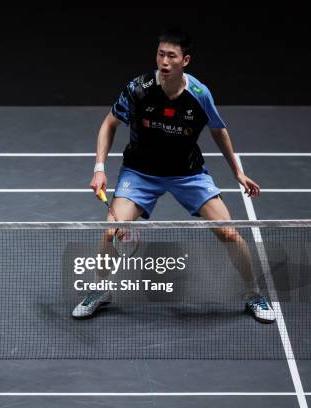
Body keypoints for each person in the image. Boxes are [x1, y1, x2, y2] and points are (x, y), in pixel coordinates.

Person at [71, 28, 276, 324]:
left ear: (186, 60)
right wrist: (99, 168)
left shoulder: (199, 94)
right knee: (111, 231)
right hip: (140, 173)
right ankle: (100, 290)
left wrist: (238, 172)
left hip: (187, 174)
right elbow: (109, 124)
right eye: (160, 54)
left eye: (171, 56)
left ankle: (253, 293)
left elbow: (219, 130)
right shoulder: (138, 89)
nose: (164, 61)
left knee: (230, 232)